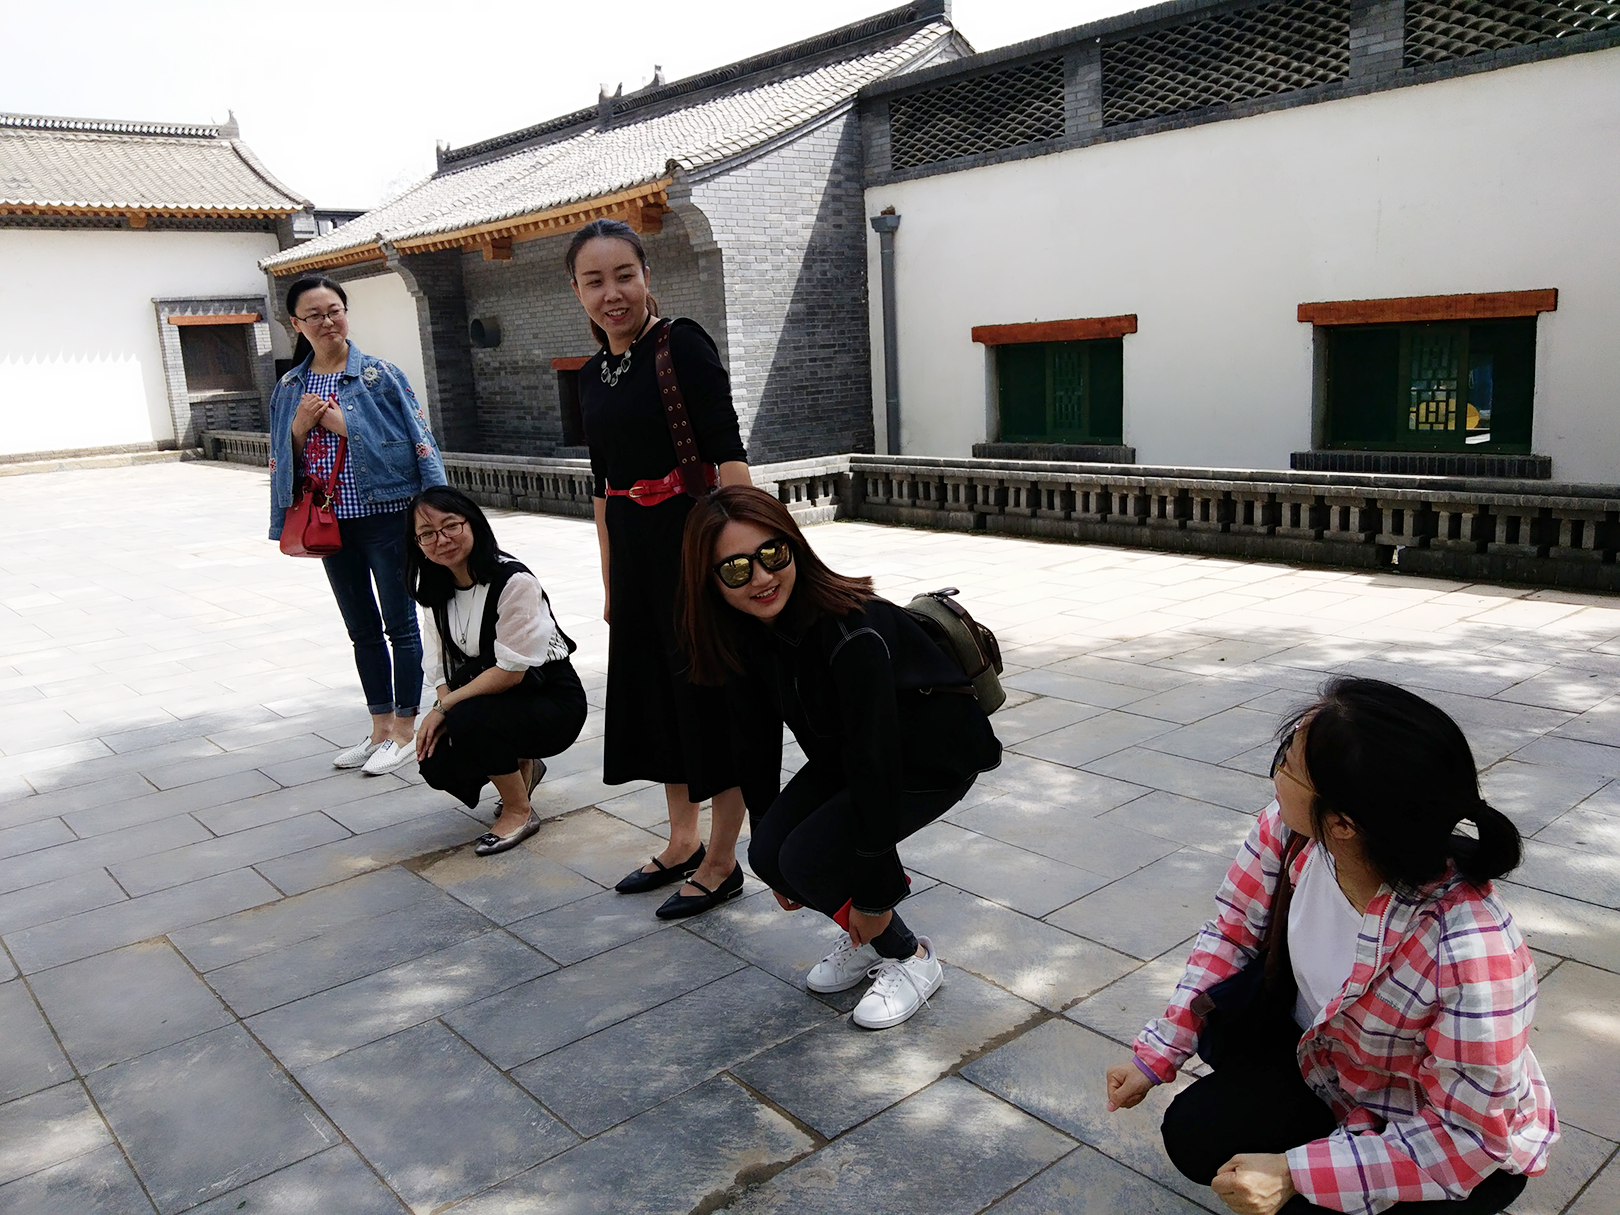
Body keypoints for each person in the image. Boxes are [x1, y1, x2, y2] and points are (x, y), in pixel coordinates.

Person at [1105, 678, 1558, 1215]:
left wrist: (1297, 1173)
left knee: (1308, 1197)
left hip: (1428, 1125)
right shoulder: (1291, 832)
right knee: (1197, 1134)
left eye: (1287, 763)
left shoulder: (1471, 954)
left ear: (1343, 822)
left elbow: (1470, 1138)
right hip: (1325, 1071)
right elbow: (1231, 933)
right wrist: (1158, 1053)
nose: (1275, 774)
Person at [677, 486, 1002, 1028]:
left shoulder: (852, 632)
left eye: (772, 554)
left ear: (794, 546)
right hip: (853, 752)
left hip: (930, 757)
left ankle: (911, 958)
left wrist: (875, 893)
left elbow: (877, 765)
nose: (761, 577)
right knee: (771, 856)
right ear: (708, 581)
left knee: (809, 858)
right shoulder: (743, 633)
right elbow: (753, 741)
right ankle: (867, 940)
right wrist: (767, 843)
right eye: (735, 569)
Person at [568, 218, 753, 918]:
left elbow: (729, 456)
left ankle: (722, 860)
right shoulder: (592, 373)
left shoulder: (682, 344)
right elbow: (602, 484)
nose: (611, 293)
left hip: (691, 546)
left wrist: (736, 565)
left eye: (624, 275)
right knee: (663, 705)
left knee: (710, 703)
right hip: (636, 558)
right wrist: (611, 579)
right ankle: (681, 840)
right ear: (578, 291)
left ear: (647, 277)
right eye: (594, 281)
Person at [268, 275, 447, 776]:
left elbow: (415, 439)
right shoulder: (290, 386)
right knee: (361, 630)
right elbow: (280, 456)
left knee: (400, 626)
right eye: (314, 315)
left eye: (334, 311)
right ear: (296, 324)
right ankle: (379, 729)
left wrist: (343, 425)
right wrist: (299, 429)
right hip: (329, 524)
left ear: (346, 313)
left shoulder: (380, 375)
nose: (327, 321)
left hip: (387, 517)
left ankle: (406, 729)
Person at [406, 488, 588, 855]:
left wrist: (445, 709)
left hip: (550, 699)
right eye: (427, 534)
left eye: (451, 526)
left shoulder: (514, 581)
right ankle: (522, 764)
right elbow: (438, 663)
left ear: (473, 523)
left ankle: (519, 811)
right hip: (493, 698)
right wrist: (445, 709)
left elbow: (510, 672)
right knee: (436, 757)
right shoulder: (436, 587)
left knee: (469, 719)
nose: (441, 540)